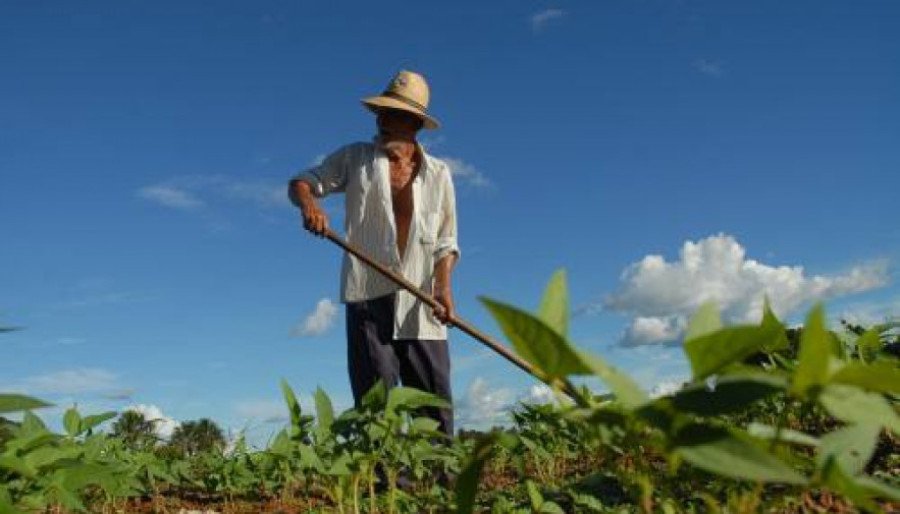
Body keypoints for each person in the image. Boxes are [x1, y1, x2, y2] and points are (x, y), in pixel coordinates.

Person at [288, 70, 460, 439]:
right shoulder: (355, 158)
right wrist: (309, 206)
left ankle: (444, 486)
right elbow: (302, 181)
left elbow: (447, 241)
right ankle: (385, 488)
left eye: (392, 114)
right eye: (380, 112)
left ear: (414, 124)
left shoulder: (440, 174)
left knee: (435, 403)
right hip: (368, 298)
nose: (381, 121)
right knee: (374, 407)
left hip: (421, 302)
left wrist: (443, 288)